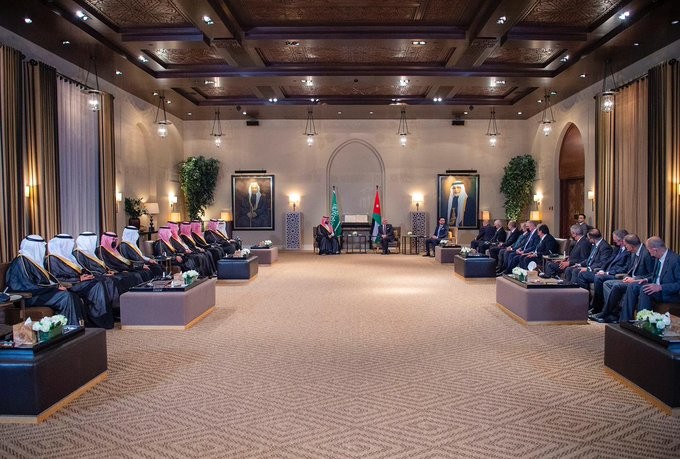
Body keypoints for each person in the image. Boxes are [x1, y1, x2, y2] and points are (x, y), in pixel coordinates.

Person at [5, 235, 83, 326]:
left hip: (38, 293)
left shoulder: (32, 260)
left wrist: (57, 286)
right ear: (34, 247)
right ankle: (70, 327)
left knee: (72, 294)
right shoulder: (20, 261)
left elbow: (44, 281)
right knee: (65, 297)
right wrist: (54, 288)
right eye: (41, 247)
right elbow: (26, 286)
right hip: (28, 297)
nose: (43, 250)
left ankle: (78, 326)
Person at [46, 234, 115, 329]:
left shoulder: (69, 257)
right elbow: (56, 278)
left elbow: (79, 270)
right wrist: (78, 279)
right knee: (96, 285)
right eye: (68, 244)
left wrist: (84, 276)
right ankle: (97, 319)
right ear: (62, 244)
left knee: (98, 282)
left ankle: (99, 318)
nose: (70, 246)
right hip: (70, 285)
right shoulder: (52, 259)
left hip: (78, 282)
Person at [591, 234, 655, 323]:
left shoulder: (646, 254)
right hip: (630, 279)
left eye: (626, 246)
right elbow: (630, 269)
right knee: (607, 283)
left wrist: (635, 279)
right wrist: (627, 276)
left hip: (638, 282)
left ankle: (607, 313)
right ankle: (612, 313)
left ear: (631, 246)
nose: (625, 248)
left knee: (616, 286)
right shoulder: (634, 252)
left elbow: (652, 274)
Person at [619, 237, 680, 323]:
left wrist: (660, 287)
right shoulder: (658, 257)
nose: (650, 254)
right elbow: (655, 276)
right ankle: (624, 321)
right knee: (633, 286)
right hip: (656, 288)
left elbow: (678, 284)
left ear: (655, 250)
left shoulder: (675, 260)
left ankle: (642, 323)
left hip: (669, 293)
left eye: (649, 251)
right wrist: (646, 280)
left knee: (645, 290)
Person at [74, 231, 142, 293]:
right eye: (91, 241)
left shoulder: (91, 253)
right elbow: (86, 269)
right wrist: (105, 273)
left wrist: (108, 271)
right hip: (95, 276)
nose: (93, 243)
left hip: (107, 273)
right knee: (116, 280)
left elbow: (102, 265)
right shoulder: (79, 253)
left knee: (133, 275)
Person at [576, 229, 629, 299]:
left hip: (614, 274)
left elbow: (625, 268)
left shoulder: (628, 251)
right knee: (582, 274)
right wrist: (602, 270)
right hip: (605, 272)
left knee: (598, 278)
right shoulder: (617, 249)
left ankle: (597, 304)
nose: (613, 241)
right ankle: (583, 300)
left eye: (615, 239)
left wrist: (607, 273)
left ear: (621, 240)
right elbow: (607, 261)